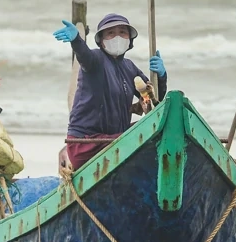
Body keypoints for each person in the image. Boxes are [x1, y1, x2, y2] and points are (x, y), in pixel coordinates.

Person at [53, 13, 167, 169]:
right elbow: (84, 56)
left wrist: (161, 77)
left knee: (159, 126)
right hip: (87, 143)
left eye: (122, 32)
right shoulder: (96, 59)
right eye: (111, 33)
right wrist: (77, 41)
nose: (117, 37)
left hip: (114, 139)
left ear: (129, 39)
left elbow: (152, 98)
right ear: (101, 41)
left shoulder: (129, 67)